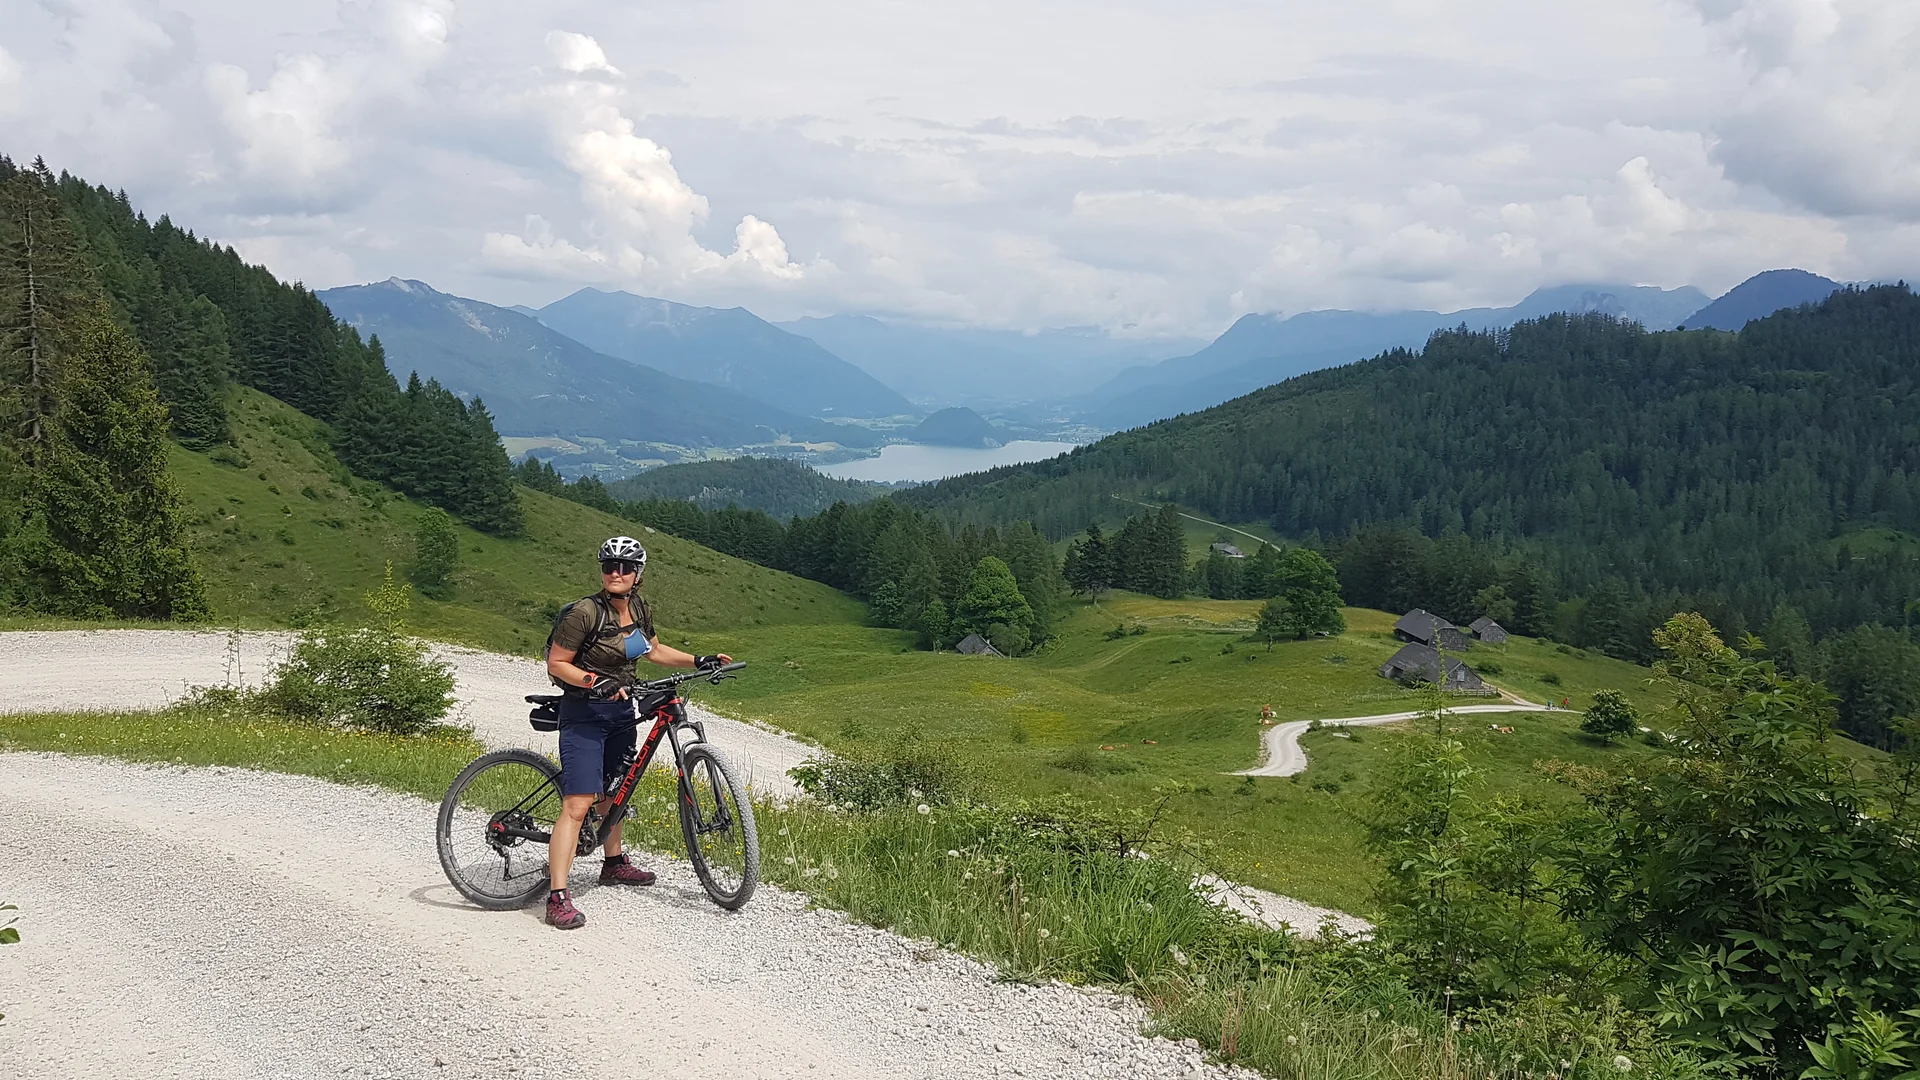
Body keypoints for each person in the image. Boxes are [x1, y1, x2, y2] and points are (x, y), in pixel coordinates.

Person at [541, 535, 732, 930]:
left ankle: (612, 864)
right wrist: (595, 681)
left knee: (614, 791)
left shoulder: (639, 607)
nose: (616, 572)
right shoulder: (583, 613)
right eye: (610, 565)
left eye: (625, 567)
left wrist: (699, 659)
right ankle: (556, 896)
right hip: (585, 714)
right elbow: (557, 664)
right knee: (578, 805)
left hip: (620, 713)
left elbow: (652, 651)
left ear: (637, 574)